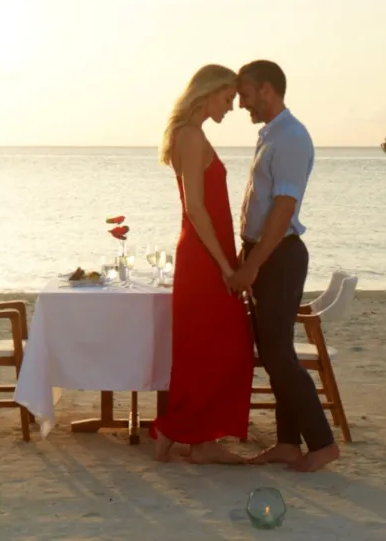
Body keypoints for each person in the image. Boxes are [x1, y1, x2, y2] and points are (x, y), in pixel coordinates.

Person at [230, 59, 340, 472]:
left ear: (267, 90)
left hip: (279, 255)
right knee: (275, 353)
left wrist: (253, 264)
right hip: (264, 253)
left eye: (245, 94)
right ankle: (288, 443)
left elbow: (282, 208)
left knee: (279, 356)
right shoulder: (271, 134)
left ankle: (323, 443)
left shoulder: (291, 136)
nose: (241, 103)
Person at [149, 64, 255, 464]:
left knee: (206, 347)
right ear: (208, 93)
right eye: (227, 100)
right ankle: (193, 438)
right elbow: (195, 208)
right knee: (227, 346)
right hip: (203, 255)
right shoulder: (190, 137)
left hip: (205, 253)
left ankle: (184, 435)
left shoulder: (189, 134)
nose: (230, 108)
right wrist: (226, 267)